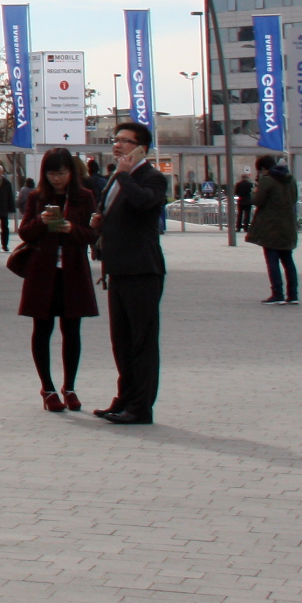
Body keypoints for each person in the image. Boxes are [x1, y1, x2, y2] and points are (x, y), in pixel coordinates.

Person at [94, 121, 169, 424]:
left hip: (143, 270)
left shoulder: (152, 178)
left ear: (141, 149)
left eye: (124, 141)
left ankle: (141, 407)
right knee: (121, 341)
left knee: (142, 341)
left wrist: (125, 175)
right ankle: (124, 398)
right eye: (116, 139)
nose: (117, 145)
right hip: (118, 270)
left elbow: (144, 204)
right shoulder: (116, 178)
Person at [14, 148, 97, 411]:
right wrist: (41, 221)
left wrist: (72, 229)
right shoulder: (38, 197)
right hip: (43, 273)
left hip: (73, 272)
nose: (56, 179)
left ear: (71, 172)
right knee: (42, 329)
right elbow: (25, 232)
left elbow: (94, 235)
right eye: (51, 173)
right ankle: (47, 389)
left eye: (61, 173)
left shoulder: (84, 197)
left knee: (72, 331)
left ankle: (69, 387)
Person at [247, 153, 300, 306]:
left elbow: (257, 201)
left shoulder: (267, 180)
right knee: (288, 260)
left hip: (270, 225)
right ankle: (293, 294)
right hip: (288, 225)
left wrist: (254, 190)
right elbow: (294, 199)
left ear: (263, 168)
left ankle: (277, 293)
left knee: (272, 260)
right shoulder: (291, 180)